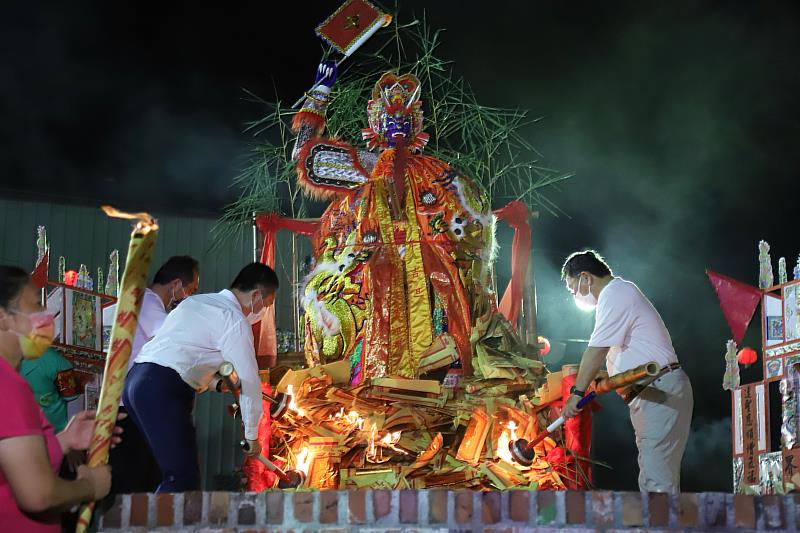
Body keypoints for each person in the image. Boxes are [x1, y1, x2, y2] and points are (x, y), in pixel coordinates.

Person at [123, 262, 278, 492]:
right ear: (256, 294)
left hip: (136, 382)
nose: (263, 312)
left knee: (158, 474)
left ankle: (143, 523)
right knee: (182, 479)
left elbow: (185, 353)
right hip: (162, 389)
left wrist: (215, 384)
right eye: (266, 304)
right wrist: (252, 435)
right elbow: (249, 382)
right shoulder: (233, 318)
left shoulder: (196, 302)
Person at [561, 250, 693, 493]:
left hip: (659, 387)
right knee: (655, 476)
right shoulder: (618, 295)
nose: (575, 295)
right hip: (652, 391)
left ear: (586, 277)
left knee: (657, 482)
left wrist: (576, 393)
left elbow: (596, 350)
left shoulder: (616, 293)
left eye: (573, 288)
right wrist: (606, 377)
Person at [0, 265, 118, 532]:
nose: (45, 316)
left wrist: (63, 440)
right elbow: (38, 494)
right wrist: (90, 486)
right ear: (3, 316)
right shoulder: (8, 384)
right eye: (35, 306)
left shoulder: (44, 367)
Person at [108, 255, 199, 494]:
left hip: (132, 401)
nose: (188, 297)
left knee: (145, 477)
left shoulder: (148, 302)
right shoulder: (146, 301)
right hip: (130, 405)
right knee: (133, 481)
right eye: (191, 290)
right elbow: (173, 335)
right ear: (177, 284)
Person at [20, 347, 79, 433]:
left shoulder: (56, 361)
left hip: (55, 437)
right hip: (20, 437)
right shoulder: (57, 362)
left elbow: (75, 400)